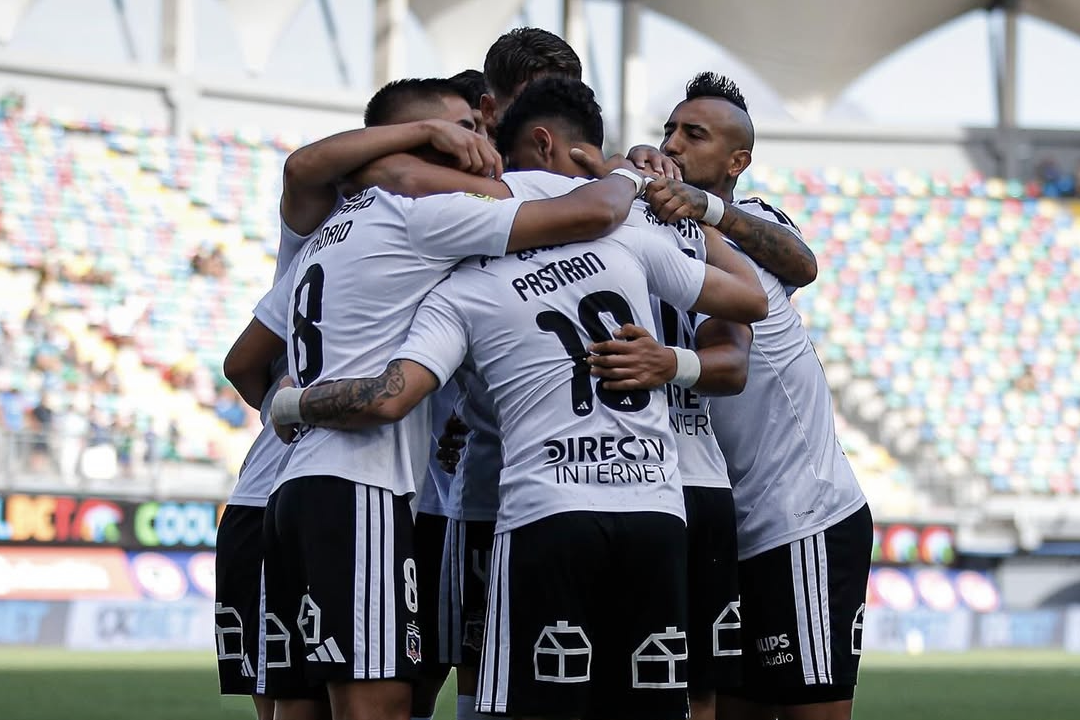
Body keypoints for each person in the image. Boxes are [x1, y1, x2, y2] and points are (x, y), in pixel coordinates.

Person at [269, 153, 767, 720]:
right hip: (654, 507)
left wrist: (292, 401)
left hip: (546, 514)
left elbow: (391, 394)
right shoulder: (621, 244)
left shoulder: (460, 290)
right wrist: (696, 218)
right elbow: (753, 299)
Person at [257, 76, 659, 720]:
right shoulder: (426, 214)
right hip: (362, 484)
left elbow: (245, 360)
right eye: (465, 129)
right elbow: (592, 213)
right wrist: (627, 175)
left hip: (292, 487)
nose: (482, 142)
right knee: (378, 707)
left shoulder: (332, 225)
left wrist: (295, 404)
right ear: (432, 140)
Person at [599, 73, 872, 720]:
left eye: (693, 134)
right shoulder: (650, 233)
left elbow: (804, 264)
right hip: (721, 520)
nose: (672, 142)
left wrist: (705, 207)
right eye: (668, 129)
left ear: (736, 161)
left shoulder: (754, 230)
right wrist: (627, 169)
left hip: (801, 516)